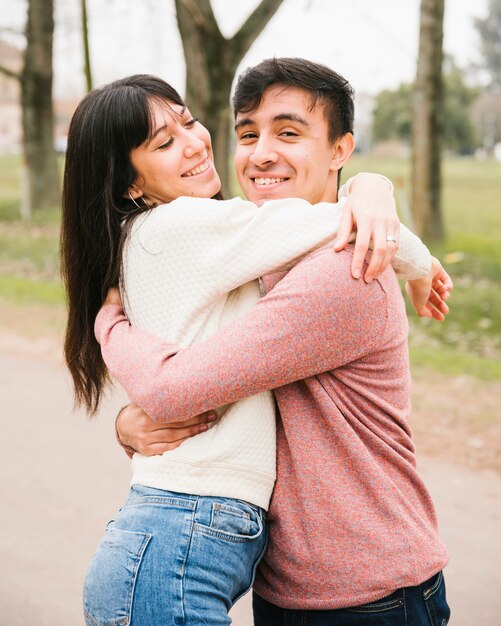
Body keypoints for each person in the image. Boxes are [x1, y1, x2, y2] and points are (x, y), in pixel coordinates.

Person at [61, 70, 436, 626]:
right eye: (248, 133)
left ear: (339, 150)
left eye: (288, 134)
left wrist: (108, 326)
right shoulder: (233, 253)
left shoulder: (343, 270)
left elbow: (174, 387)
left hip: (365, 592)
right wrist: (129, 424)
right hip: (289, 585)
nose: (261, 155)